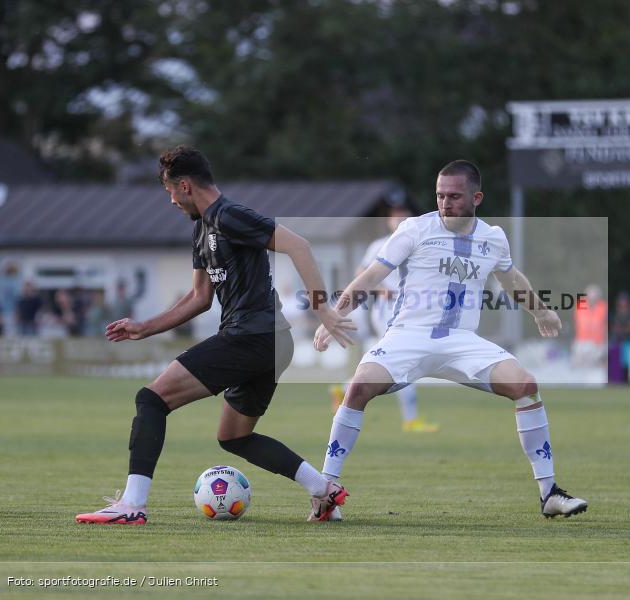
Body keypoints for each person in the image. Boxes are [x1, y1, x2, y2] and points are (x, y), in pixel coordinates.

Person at [75, 146, 356, 525]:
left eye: (170, 191)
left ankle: (132, 505)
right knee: (234, 436)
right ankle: (324, 491)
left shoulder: (230, 216)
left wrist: (323, 308)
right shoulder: (201, 229)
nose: (171, 200)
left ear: (186, 186)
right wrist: (145, 326)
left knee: (151, 400)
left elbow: (298, 246)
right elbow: (199, 298)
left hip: (253, 336)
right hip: (269, 342)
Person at [312, 160, 587, 521]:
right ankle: (324, 495)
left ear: (477, 197)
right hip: (408, 337)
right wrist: (335, 313)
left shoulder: (492, 237)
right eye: (440, 195)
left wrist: (540, 311)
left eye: (454, 196)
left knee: (526, 385)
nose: (445, 203)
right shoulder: (415, 229)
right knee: (359, 386)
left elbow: (511, 279)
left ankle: (549, 494)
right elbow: (371, 275)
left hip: (461, 341)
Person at [329, 206, 440, 433]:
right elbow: (362, 273)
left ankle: (346, 387)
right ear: (389, 221)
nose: (401, 220)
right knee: (405, 362)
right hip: (389, 309)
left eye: (405, 216)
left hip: (409, 309)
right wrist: (380, 289)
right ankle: (411, 420)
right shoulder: (380, 244)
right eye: (396, 217)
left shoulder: (420, 243)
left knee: (396, 362)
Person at [572, 284, 607, 369]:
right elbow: (580, 322)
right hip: (582, 340)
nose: (591, 299)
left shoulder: (603, 306)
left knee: (596, 365)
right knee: (578, 364)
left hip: (598, 341)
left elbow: (603, 323)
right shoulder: (580, 305)